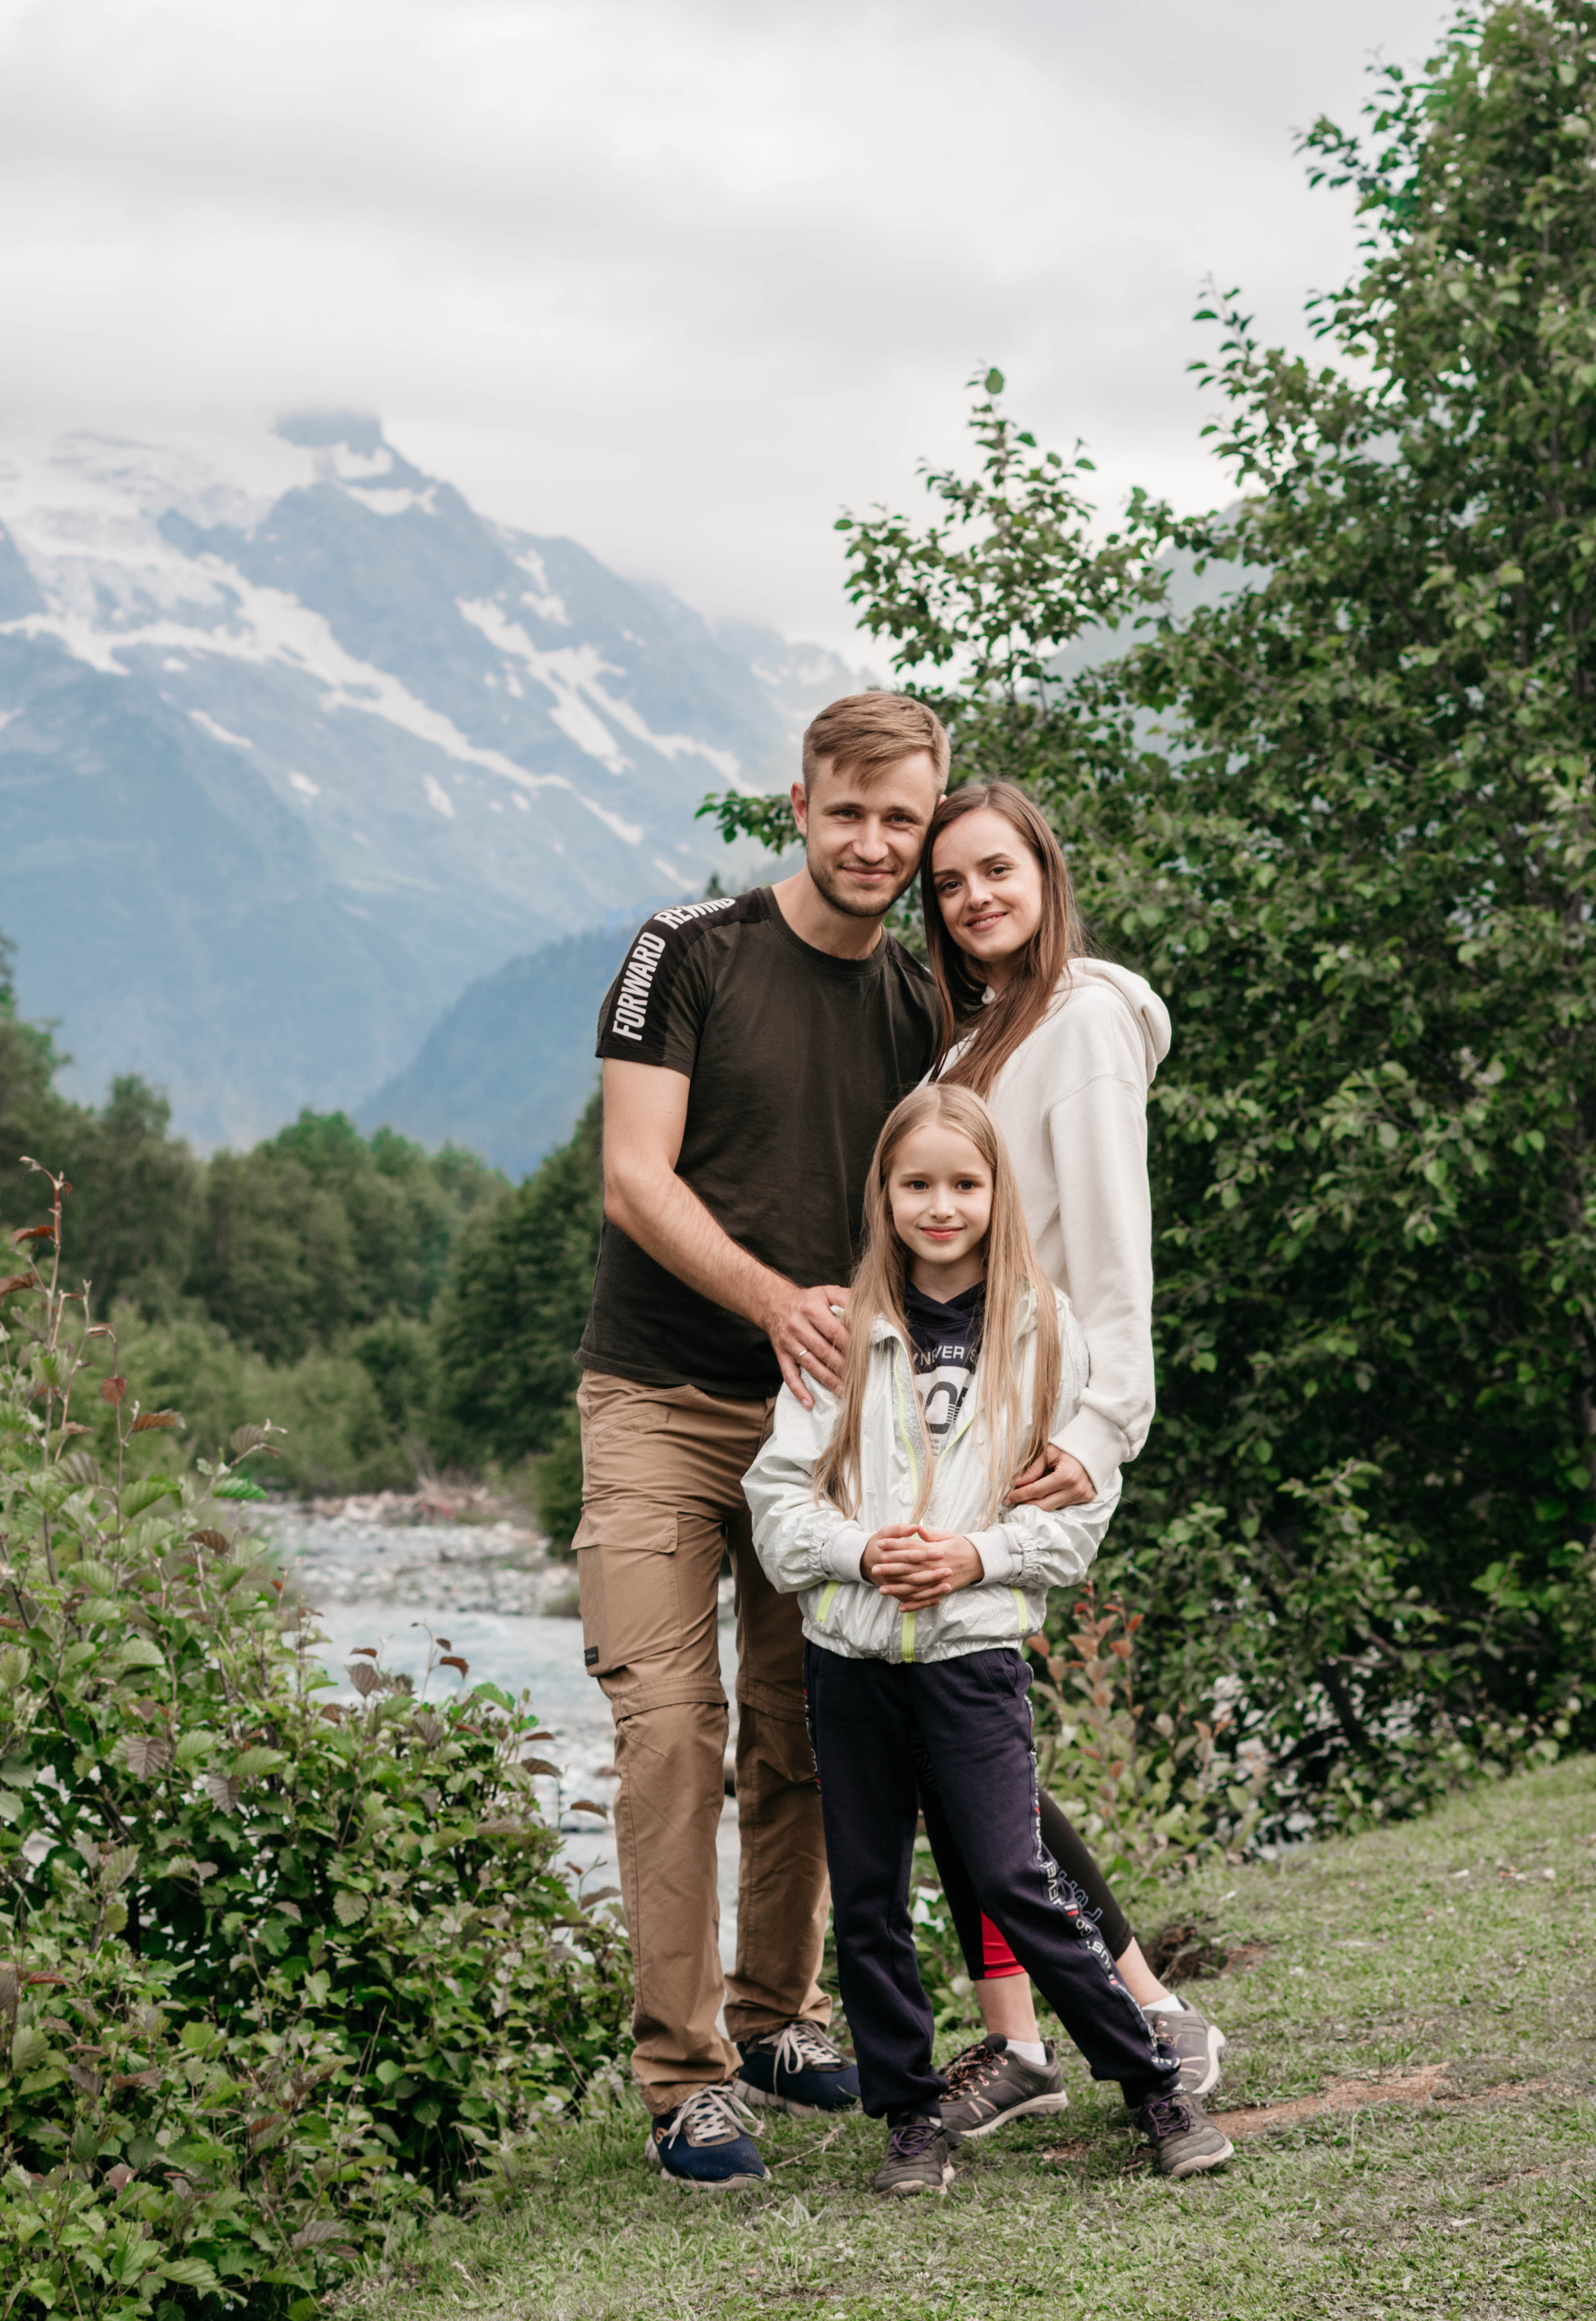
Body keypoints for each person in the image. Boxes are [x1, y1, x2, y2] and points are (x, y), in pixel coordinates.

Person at [573, 690, 952, 2191]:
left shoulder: (919, 1003)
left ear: (922, 835)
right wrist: (770, 1300)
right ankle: (683, 2079)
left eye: (900, 821)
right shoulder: (686, 949)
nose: (871, 842)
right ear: (796, 807)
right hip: (659, 1401)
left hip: (826, 1425)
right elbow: (632, 1178)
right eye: (846, 812)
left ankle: (780, 2014)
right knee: (672, 1735)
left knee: (805, 1731)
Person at [744, 1083, 1234, 2193]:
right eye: (916, 1185)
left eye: (963, 1184)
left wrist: (977, 1558)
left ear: (997, 1193)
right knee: (867, 1896)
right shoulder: (843, 1331)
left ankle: (1154, 2088)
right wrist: (862, 1552)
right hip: (852, 1657)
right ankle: (909, 2122)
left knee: (1016, 1877)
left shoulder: (1042, 1326)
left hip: (972, 1653)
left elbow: (1076, 1513)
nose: (940, 1205)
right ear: (884, 1196)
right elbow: (776, 1499)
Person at [912, 777, 1229, 2138]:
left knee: (962, 1743)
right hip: (946, 1425)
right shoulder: (981, 1032)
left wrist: (1099, 1434)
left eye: (995, 869)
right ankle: (1076, 2021)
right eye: (949, 883)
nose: (973, 897)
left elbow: (1111, 1257)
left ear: (1043, 869)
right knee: (963, 1748)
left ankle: (1132, 2021)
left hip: (1037, 1434)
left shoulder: (1082, 1025)